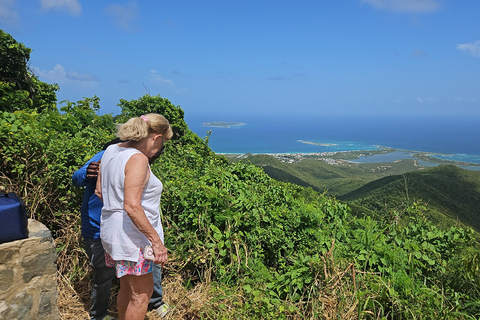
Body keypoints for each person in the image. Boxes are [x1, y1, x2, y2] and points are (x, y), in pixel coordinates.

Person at [72, 137, 169, 320]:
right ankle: (98, 315)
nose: (155, 155)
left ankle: (155, 302)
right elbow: (77, 178)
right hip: (102, 228)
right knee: (108, 278)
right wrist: (87, 173)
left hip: (117, 229)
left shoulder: (129, 157)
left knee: (137, 283)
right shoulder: (110, 155)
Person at [95, 114, 172, 320]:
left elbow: (99, 192)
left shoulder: (112, 150)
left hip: (113, 234)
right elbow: (132, 206)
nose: (160, 149)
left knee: (127, 290)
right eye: (162, 143)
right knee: (141, 295)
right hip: (134, 240)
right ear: (156, 138)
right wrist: (156, 242)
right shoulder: (138, 159)